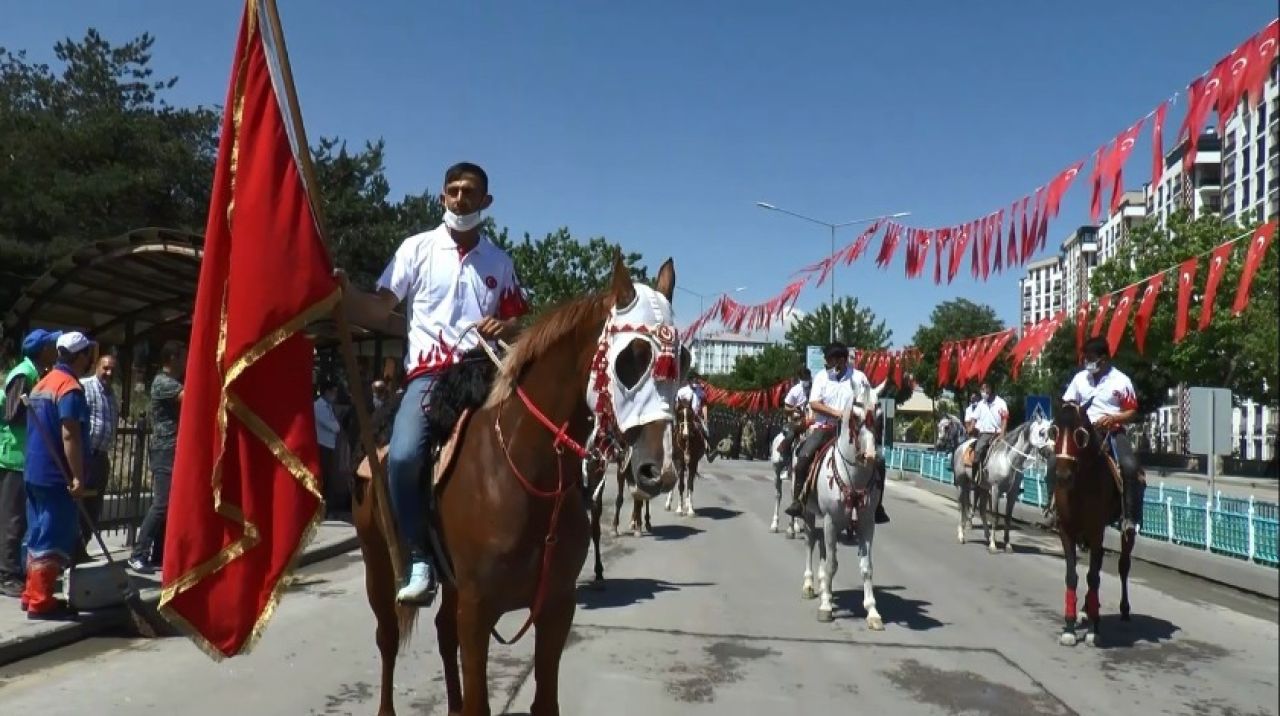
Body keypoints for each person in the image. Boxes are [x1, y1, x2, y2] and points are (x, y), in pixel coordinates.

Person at [338, 162, 527, 605]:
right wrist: (345, 295)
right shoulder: (415, 249)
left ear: (487, 202)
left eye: (470, 192)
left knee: (542, 437)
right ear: (442, 197)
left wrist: (506, 325)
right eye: (454, 191)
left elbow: (521, 320)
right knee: (404, 455)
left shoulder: (500, 261)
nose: (461, 199)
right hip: (429, 376)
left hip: (486, 371)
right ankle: (419, 556)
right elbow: (380, 308)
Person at [21, 331, 95, 619]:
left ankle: (31, 594)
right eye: (88, 354)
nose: (90, 359)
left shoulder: (43, 383)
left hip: (34, 471)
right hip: (56, 476)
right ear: (80, 356)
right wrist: (77, 477)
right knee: (52, 535)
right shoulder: (69, 388)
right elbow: (70, 434)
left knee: (36, 532)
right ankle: (41, 600)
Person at [1058, 337, 1143, 534]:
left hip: (1112, 432)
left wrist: (1114, 418)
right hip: (1082, 433)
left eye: (1091, 358)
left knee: (1130, 467)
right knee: (1057, 462)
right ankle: (1054, 509)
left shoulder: (1122, 381)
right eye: (1085, 358)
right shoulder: (1079, 379)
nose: (1087, 362)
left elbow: (1132, 412)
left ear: (1104, 359)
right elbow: (1066, 404)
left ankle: (1129, 517)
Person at [785, 342, 878, 519]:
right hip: (825, 428)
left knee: (878, 459)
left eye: (830, 360)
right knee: (804, 457)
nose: (827, 364)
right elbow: (814, 403)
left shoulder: (859, 377)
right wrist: (838, 414)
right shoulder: (821, 377)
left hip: (855, 430)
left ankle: (877, 505)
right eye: (827, 360)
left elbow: (869, 399)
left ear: (841, 360)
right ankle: (798, 501)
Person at [0, 329, 60, 598]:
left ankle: (13, 570)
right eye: (51, 345)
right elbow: (13, 414)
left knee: (19, 520)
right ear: (43, 349)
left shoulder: (34, 371)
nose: (55, 348)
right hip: (14, 457)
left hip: (23, 457)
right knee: (12, 520)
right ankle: (7, 575)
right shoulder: (24, 374)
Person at [128, 341, 185, 574]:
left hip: (174, 449)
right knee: (161, 503)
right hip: (164, 449)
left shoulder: (174, 382)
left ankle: (159, 553)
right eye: (183, 357)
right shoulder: (164, 383)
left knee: (170, 505)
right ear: (172, 358)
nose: (186, 362)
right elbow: (191, 399)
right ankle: (138, 553)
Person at [78, 354, 118, 562]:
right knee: (80, 505)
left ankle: (82, 549)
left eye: (112, 369)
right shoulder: (85, 386)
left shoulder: (111, 395)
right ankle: (71, 552)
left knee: (94, 507)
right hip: (85, 456)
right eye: (105, 368)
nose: (109, 373)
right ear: (96, 367)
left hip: (101, 457)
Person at [313, 380, 342, 518]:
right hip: (322, 445)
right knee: (324, 477)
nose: (335, 395)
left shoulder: (328, 407)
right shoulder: (318, 407)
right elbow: (334, 427)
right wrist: (336, 426)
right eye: (333, 392)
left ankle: (326, 508)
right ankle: (321, 509)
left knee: (329, 478)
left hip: (330, 446)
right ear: (326, 392)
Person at [971, 381, 1008, 480]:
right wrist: (971, 428)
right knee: (978, 450)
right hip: (984, 434)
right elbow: (974, 418)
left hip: (998, 433)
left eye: (984, 389)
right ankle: (974, 478)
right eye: (981, 389)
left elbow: (1004, 419)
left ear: (990, 389)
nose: (982, 392)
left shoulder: (1001, 403)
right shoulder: (980, 404)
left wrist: (1002, 434)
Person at [676, 373, 715, 462]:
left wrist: (705, 418)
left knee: (706, 431)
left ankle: (709, 451)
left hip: (696, 417)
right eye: (693, 380)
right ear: (689, 381)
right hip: (683, 416)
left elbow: (704, 405)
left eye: (696, 380)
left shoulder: (700, 392)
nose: (695, 382)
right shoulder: (682, 391)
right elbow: (677, 404)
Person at [777, 368, 811, 458]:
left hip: (812, 419)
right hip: (797, 420)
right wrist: (794, 409)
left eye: (807, 378)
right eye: (804, 379)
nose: (806, 381)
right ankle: (784, 453)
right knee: (791, 434)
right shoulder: (795, 390)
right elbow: (786, 408)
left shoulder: (814, 388)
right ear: (800, 378)